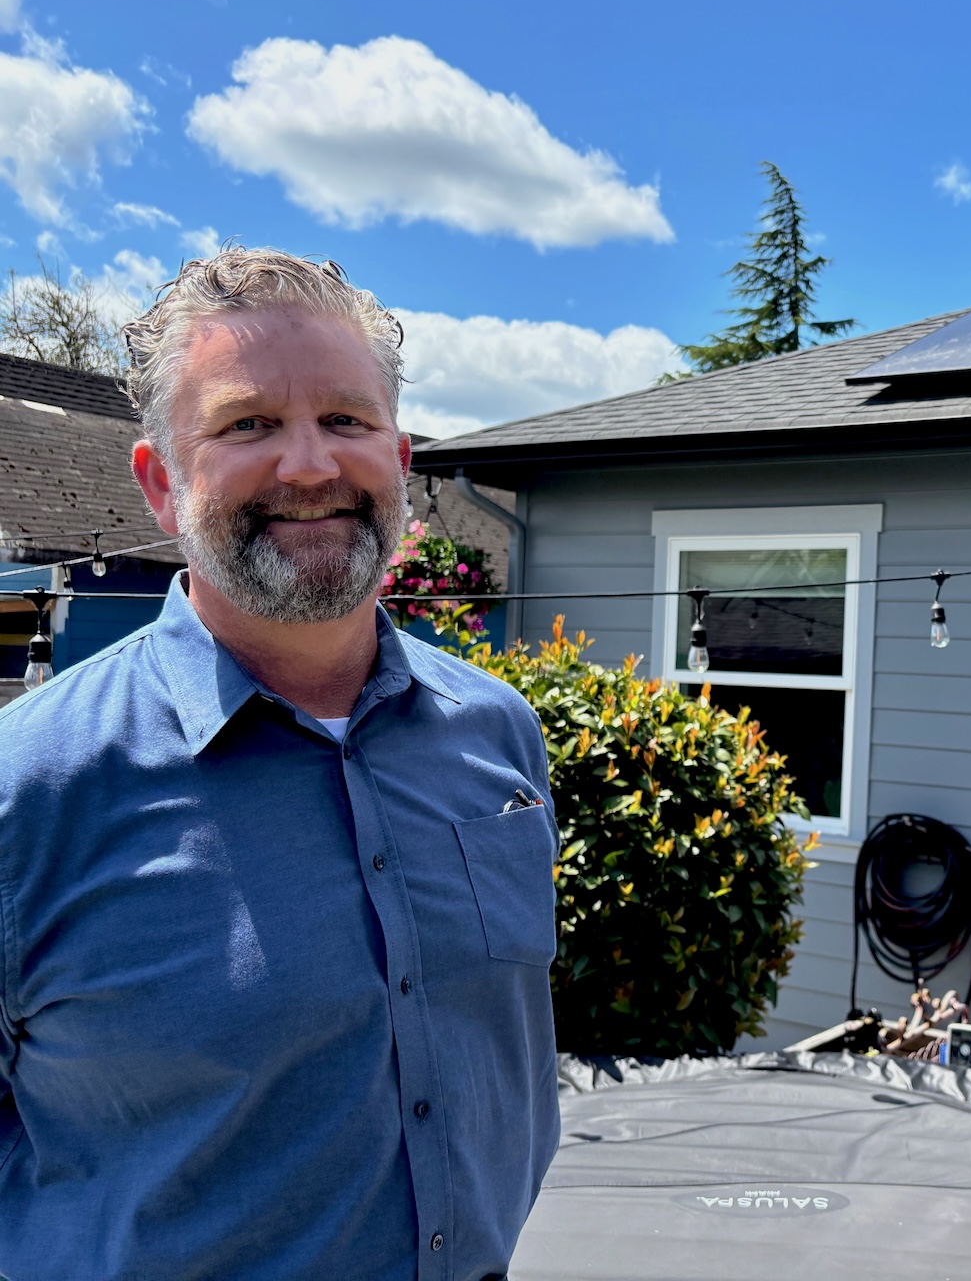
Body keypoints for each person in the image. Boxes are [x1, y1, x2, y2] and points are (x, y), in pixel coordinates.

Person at [0, 249, 559, 1279]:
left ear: (398, 456)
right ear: (163, 482)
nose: (310, 465)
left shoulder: (498, 740)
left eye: (346, 421)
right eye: (249, 424)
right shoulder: (27, 792)